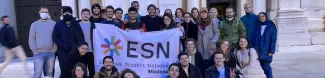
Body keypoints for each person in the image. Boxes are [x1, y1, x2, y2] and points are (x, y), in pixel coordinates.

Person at [52, 6, 84, 78]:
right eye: (65, 12)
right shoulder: (58, 25)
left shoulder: (76, 24)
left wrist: (76, 47)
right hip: (62, 52)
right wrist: (63, 45)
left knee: (75, 70)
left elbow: (80, 36)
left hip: (74, 51)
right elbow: (55, 37)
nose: (67, 14)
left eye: (69, 12)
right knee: (64, 70)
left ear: (71, 13)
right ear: (62, 14)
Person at [29, 7, 56, 78]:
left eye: (46, 12)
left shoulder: (53, 23)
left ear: (48, 13)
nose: (44, 13)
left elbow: (56, 37)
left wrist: (54, 49)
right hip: (38, 53)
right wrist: (34, 50)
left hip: (50, 53)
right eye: (42, 12)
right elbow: (31, 38)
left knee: (50, 73)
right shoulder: (34, 24)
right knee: (37, 73)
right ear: (39, 12)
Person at [253, 12, 277, 78]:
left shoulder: (271, 26)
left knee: (266, 67)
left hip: (266, 50)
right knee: (260, 67)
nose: (261, 18)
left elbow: (273, 39)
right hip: (258, 49)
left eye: (263, 16)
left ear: (266, 16)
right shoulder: (257, 25)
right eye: (260, 17)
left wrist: (271, 50)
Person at [78, 8, 96, 77]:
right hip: (81, 52)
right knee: (82, 70)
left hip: (91, 51)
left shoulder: (93, 25)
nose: (85, 15)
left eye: (87, 14)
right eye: (84, 14)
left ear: (89, 15)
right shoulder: (77, 25)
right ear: (81, 15)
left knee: (92, 70)